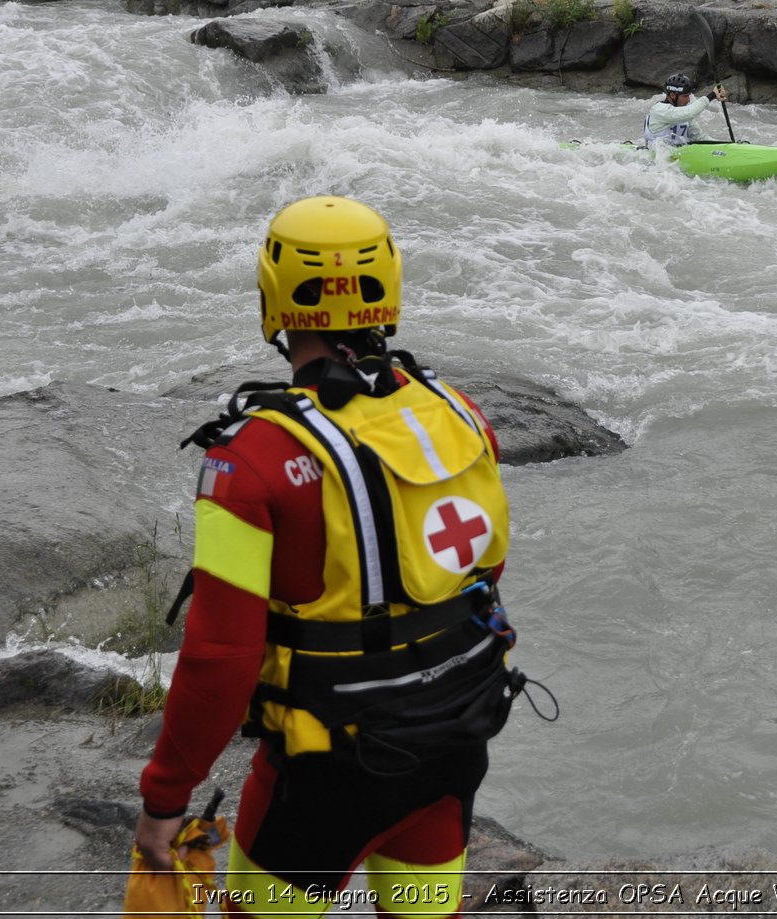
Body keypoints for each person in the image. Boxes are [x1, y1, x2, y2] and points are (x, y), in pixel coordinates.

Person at [134, 196, 529, 916]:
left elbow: (219, 655)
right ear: (390, 288)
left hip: (325, 779)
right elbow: (476, 580)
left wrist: (165, 797)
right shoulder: (461, 415)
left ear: (273, 298)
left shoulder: (246, 462)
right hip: (454, 743)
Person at [643, 73, 727, 148]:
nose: (688, 100)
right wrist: (712, 95)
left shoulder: (683, 116)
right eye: (685, 96)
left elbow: (700, 138)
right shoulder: (659, 110)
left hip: (674, 160)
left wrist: (725, 146)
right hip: (656, 160)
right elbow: (689, 113)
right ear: (672, 95)